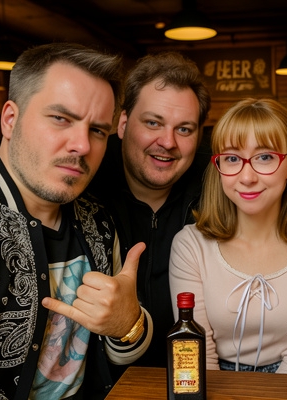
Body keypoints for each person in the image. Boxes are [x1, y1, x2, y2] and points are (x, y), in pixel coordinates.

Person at [0, 43, 152, 400]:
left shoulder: (98, 219)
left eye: (97, 131)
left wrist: (128, 324)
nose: (82, 145)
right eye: (61, 119)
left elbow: (123, 353)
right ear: (11, 119)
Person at [169, 98, 287, 374]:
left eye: (264, 157)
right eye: (232, 159)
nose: (247, 177)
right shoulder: (189, 245)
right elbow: (197, 355)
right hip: (210, 382)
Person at [89, 51, 211, 368]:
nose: (167, 142)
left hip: (196, 376)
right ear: (123, 123)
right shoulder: (85, 184)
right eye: (153, 123)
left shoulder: (220, 189)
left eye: (184, 129)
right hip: (105, 379)